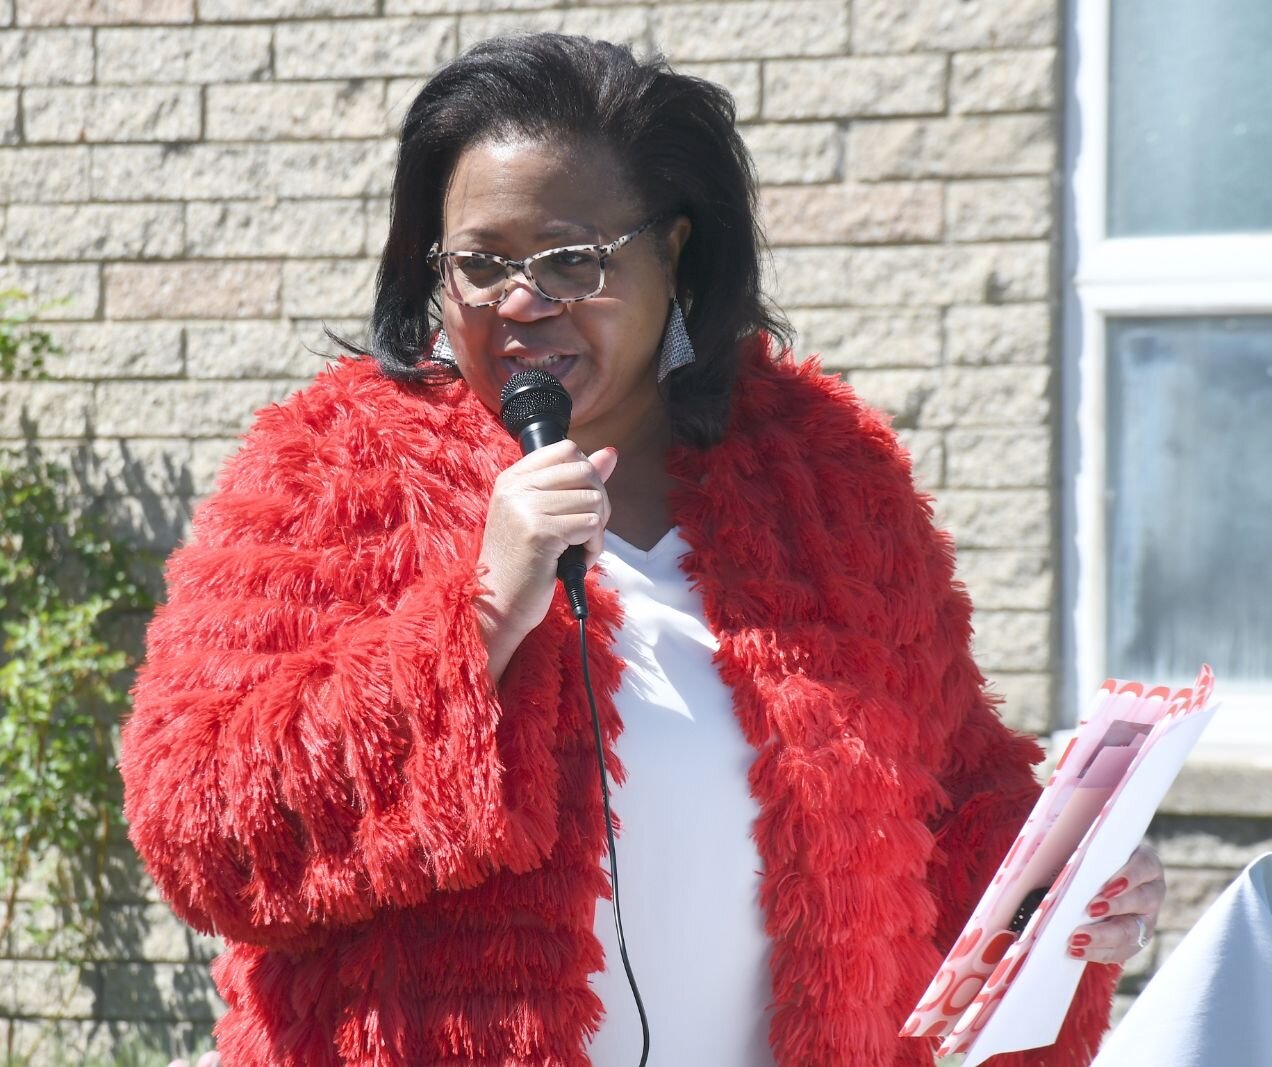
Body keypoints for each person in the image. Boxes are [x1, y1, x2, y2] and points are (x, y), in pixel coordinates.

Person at [123, 33, 1165, 1067]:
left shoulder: (828, 483)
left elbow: (957, 801)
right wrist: (479, 616)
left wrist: (1072, 895)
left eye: (573, 259)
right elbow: (200, 830)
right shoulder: (332, 470)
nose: (522, 304)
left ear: (673, 248)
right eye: (481, 264)